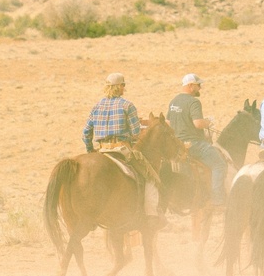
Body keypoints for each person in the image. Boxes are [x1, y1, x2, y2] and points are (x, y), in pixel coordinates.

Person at [81, 72, 162, 226]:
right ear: (118, 87)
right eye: (123, 85)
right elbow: (136, 133)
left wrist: (90, 150)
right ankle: (151, 214)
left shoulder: (96, 107)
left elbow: (85, 133)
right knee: (151, 176)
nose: (124, 87)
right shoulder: (127, 105)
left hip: (102, 150)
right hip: (121, 149)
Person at [167, 73, 227, 207]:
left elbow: (168, 122)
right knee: (219, 165)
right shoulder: (194, 102)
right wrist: (209, 122)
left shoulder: (174, 101)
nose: (200, 88)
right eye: (198, 85)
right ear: (190, 86)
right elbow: (198, 124)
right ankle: (217, 199)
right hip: (193, 144)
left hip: (177, 144)